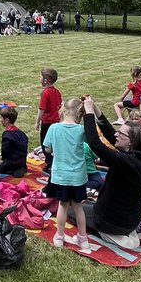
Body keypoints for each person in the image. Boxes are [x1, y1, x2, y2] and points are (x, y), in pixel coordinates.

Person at [79, 97, 141, 249]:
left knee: (73, 210)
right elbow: (111, 134)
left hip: (112, 221)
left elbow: (96, 144)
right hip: (130, 220)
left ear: (131, 141)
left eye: (121, 134)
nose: (116, 135)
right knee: (87, 204)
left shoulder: (126, 162)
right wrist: (95, 110)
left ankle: (110, 235)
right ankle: (122, 233)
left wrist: (88, 113)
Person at [43, 99, 93, 252]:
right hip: (78, 176)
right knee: (78, 206)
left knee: (63, 205)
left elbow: (48, 149)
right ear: (80, 113)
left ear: (62, 109)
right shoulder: (81, 129)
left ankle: (59, 236)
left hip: (61, 176)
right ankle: (83, 239)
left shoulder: (54, 128)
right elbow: (91, 143)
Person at [35, 67, 62, 174]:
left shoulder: (45, 93)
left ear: (45, 80)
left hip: (47, 123)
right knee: (55, 143)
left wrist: (37, 121)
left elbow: (42, 109)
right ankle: (55, 160)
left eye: (41, 77)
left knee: (45, 144)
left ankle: (50, 164)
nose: (40, 79)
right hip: (57, 121)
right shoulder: (57, 92)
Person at [0, 103, 28, 177]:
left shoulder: (7, 135)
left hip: (11, 165)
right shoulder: (21, 133)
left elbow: (5, 153)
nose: (0, 120)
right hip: (22, 164)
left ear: (7, 120)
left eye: (1, 118)